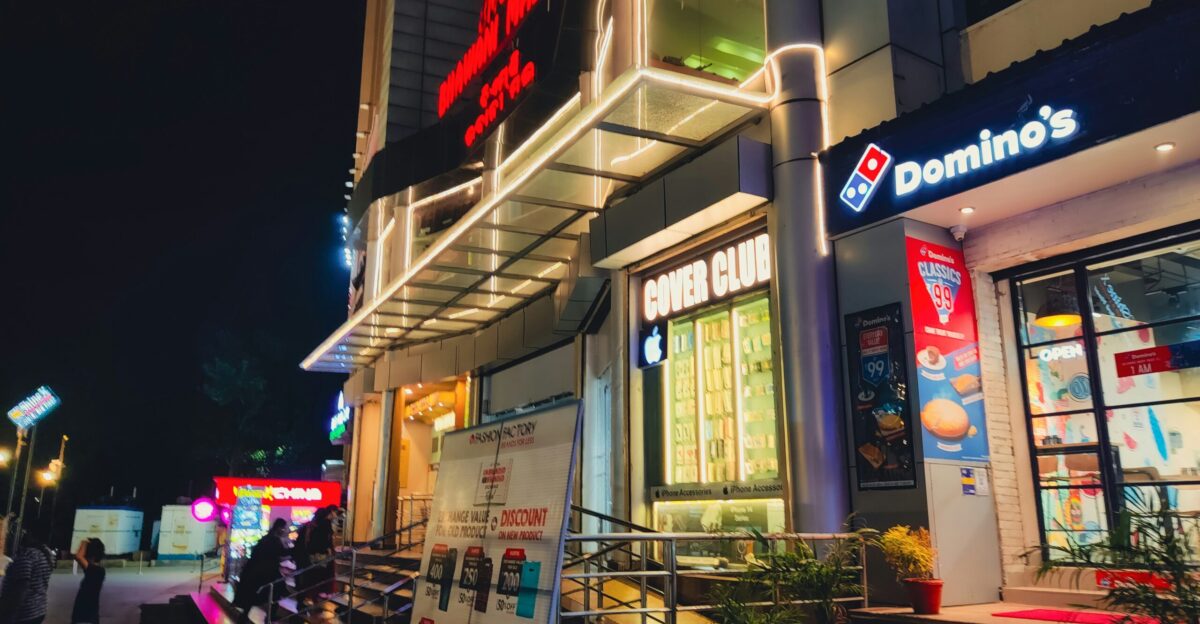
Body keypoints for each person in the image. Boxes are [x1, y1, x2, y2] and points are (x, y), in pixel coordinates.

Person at [233, 519, 290, 623]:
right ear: (279, 528)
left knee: (255, 595)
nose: (285, 530)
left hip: (257, 571)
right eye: (284, 528)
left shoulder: (266, 538)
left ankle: (245, 616)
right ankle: (270, 616)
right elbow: (281, 553)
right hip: (267, 572)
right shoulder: (274, 540)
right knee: (275, 593)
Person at [0, 529, 55, 624]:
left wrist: (7, 614)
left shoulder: (26, 555)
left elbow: (19, 589)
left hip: (23, 613)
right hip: (39, 608)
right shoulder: (46, 553)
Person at [71, 538, 106, 624]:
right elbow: (79, 557)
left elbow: (78, 556)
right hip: (88, 616)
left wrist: (84, 542)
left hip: (85, 617)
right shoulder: (95, 571)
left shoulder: (96, 571)